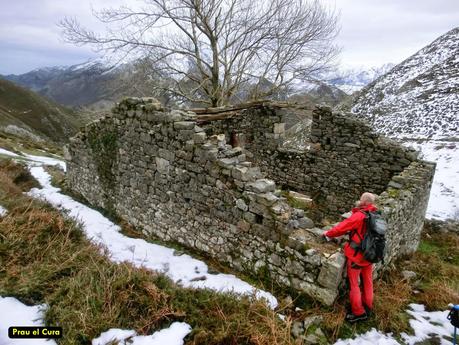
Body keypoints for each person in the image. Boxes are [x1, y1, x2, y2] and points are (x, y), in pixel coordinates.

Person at [323, 192, 377, 323]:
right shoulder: (376, 214)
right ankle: (368, 307)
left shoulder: (360, 216)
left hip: (357, 256)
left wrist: (328, 234)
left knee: (354, 284)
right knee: (368, 282)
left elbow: (342, 227)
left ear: (363, 202)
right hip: (370, 254)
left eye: (361, 199)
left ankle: (358, 313)